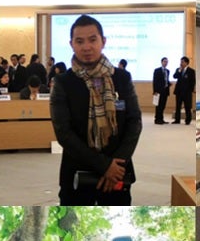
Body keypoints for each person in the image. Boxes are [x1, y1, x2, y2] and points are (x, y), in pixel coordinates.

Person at [50, 14, 142, 206]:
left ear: (103, 41)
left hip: (118, 174)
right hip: (77, 173)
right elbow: (63, 133)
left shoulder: (122, 78)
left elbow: (134, 122)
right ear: (71, 44)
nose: (86, 47)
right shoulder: (63, 82)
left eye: (93, 39)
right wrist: (104, 165)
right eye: (80, 41)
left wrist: (116, 165)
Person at [172, 56, 195, 125]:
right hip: (179, 91)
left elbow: (193, 81)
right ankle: (177, 120)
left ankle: (188, 120)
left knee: (187, 107)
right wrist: (179, 71)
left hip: (187, 92)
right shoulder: (178, 69)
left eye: (182, 62)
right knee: (178, 106)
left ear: (186, 63)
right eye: (180, 62)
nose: (181, 63)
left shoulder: (191, 71)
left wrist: (191, 90)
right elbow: (174, 76)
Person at [152, 56, 170, 124]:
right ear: (161, 62)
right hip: (158, 91)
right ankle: (157, 119)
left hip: (165, 91)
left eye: (167, 62)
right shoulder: (157, 70)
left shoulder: (167, 71)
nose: (166, 63)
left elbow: (166, 80)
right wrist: (155, 91)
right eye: (165, 61)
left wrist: (168, 83)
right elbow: (155, 81)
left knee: (163, 105)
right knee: (158, 106)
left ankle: (161, 119)